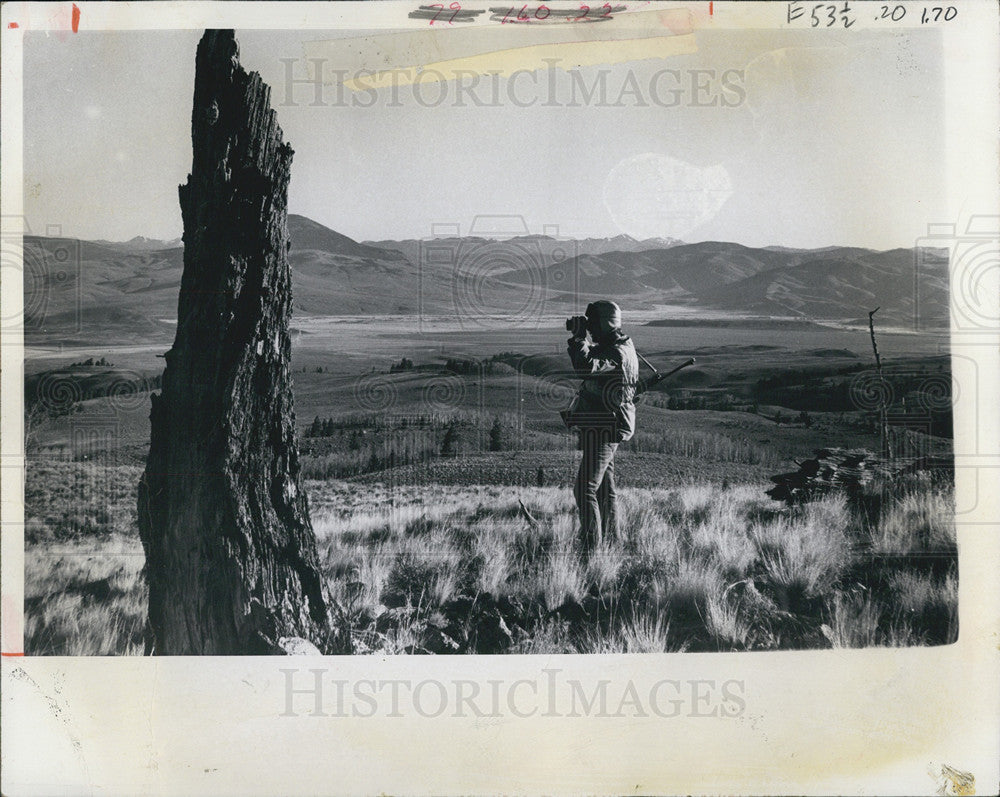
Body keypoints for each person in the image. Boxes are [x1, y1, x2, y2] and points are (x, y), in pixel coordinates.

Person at [566, 300, 639, 554]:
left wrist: (578, 339)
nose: (591, 329)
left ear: (605, 323)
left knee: (584, 489)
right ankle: (612, 544)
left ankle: (590, 552)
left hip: (606, 426)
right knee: (605, 490)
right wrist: (583, 340)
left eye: (593, 323)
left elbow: (586, 367)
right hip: (604, 424)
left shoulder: (616, 353)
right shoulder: (617, 346)